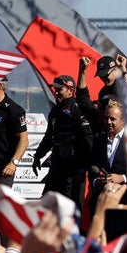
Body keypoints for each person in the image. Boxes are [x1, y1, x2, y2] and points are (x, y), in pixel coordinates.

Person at [31, 75, 92, 205]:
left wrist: (84, 167)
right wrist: (38, 156)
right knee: (47, 199)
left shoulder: (78, 111)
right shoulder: (54, 111)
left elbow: (87, 140)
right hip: (57, 164)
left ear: (70, 90)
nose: (56, 92)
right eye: (55, 89)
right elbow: (49, 137)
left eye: (60, 89)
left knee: (70, 203)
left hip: (73, 167)